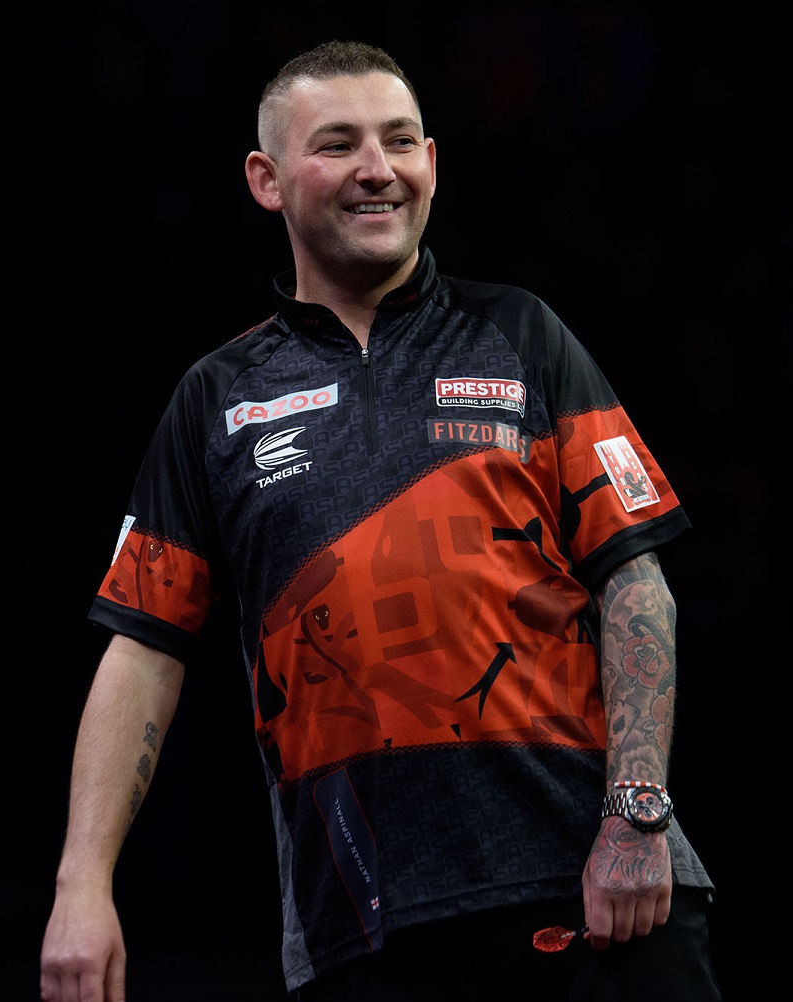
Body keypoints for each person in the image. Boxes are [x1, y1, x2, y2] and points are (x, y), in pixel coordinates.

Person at [40, 39, 721, 1001]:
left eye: (400, 141)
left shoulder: (521, 334)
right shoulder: (216, 399)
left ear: (431, 164)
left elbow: (635, 579)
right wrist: (81, 885)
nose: (377, 168)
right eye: (338, 144)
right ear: (266, 181)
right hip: (361, 927)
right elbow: (144, 650)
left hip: (592, 889)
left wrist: (637, 816)